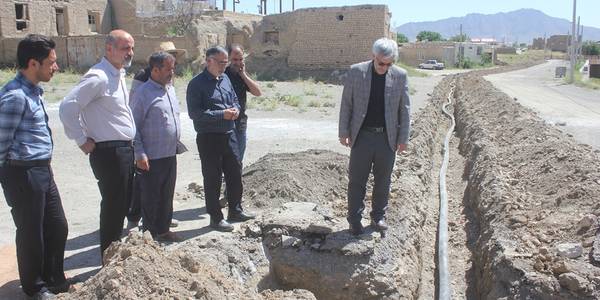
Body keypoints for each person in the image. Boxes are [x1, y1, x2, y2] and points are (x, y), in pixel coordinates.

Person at [0, 34, 68, 299]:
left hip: (41, 170)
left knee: (57, 226)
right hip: (23, 172)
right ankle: (35, 288)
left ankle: (53, 278)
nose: (56, 67)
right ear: (33, 64)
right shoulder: (15, 96)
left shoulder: (32, 91)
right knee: (31, 233)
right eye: (51, 62)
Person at [59, 29, 136, 257]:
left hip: (123, 150)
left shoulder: (117, 74)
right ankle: (108, 258)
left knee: (121, 206)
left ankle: (114, 253)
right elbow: (67, 108)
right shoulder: (99, 77)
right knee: (114, 208)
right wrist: (81, 139)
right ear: (109, 49)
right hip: (110, 153)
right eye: (125, 48)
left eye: (131, 48)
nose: (129, 53)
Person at [338, 38, 411, 235]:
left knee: (383, 181)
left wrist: (403, 139)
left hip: (387, 139)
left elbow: (404, 110)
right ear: (373, 56)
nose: (384, 68)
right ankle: (354, 219)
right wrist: (344, 132)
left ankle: (378, 216)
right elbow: (347, 104)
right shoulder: (356, 72)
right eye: (381, 63)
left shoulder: (401, 76)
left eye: (389, 64)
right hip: (361, 136)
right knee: (356, 180)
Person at [186, 46, 255, 232]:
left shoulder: (225, 79)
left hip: (229, 134)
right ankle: (216, 218)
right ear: (209, 61)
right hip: (209, 138)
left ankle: (235, 210)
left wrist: (235, 110)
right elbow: (195, 114)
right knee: (213, 178)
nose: (225, 66)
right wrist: (221, 114)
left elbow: (233, 99)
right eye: (221, 62)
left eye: (226, 62)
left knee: (234, 173)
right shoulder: (196, 84)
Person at [126, 42, 187, 230]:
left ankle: (164, 230)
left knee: (166, 195)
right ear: (155, 70)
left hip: (169, 152)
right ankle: (150, 235)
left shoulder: (169, 89)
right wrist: (140, 153)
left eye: (173, 69)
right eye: (169, 69)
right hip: (151, 156)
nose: (172, 73)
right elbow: (133, 126)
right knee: (151, 197)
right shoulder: (143, 93)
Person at [224, 44, 262, 162]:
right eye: (235, 59)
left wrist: (243, 75)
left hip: (240, 123)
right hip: (224, 124)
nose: (238, 62)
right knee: (225, 159)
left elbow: (257, 92)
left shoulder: (241, 75)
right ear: (228, 58)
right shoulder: (222, 75)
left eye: (240, 59)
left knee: (238, 159)